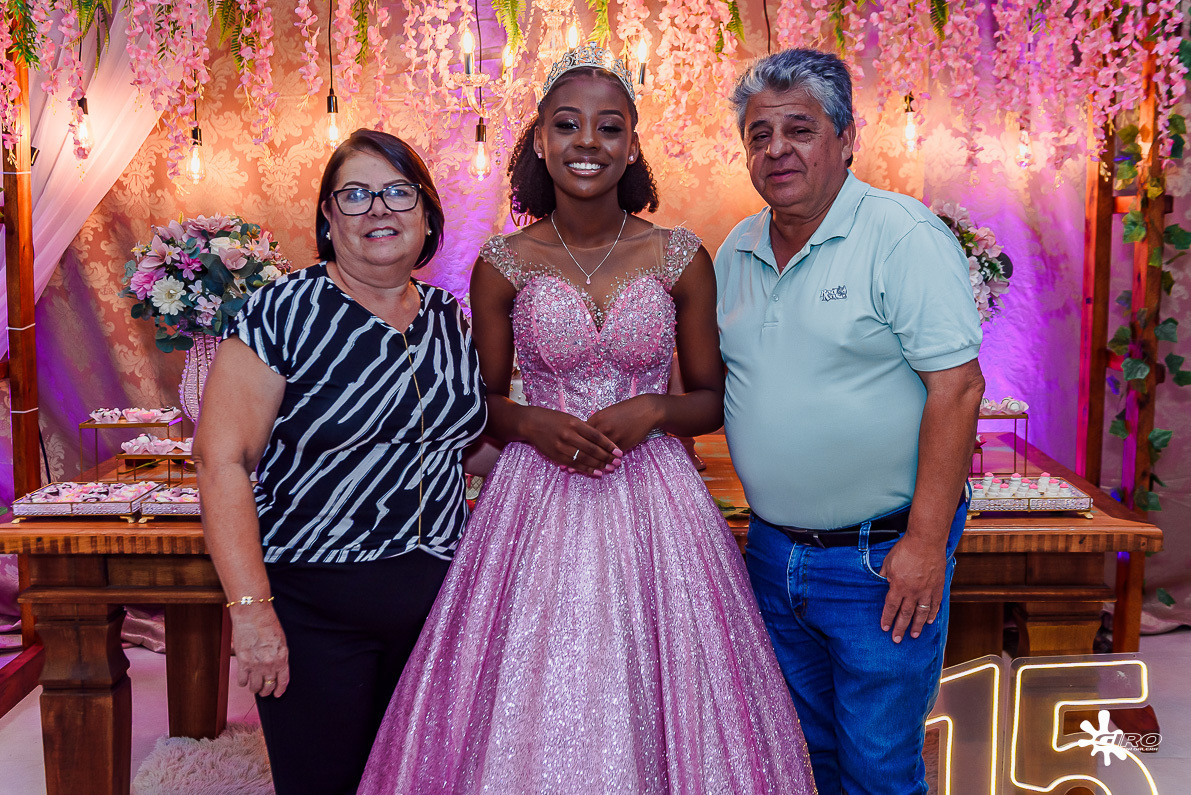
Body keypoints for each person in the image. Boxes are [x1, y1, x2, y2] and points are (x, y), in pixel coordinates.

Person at [359, 43, 815, 794]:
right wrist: (531, 425)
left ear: (631, 145)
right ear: (539, 139)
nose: (587, 142)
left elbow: (711, 398)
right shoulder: (502, 262)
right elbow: (481, 402)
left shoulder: (679, 255)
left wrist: (656, 408)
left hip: (656, 497)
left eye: (609, 127)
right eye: (567, 125)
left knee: (672, 680)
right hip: (535, 495)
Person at [714, 49, 985, 795]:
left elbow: (958, 388)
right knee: (801, 761)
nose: (777, 150)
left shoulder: (900, 235)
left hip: (880, 559)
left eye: (798, 130)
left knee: (877, 769)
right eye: (759, 135)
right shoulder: (735, 250)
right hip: (772, 554)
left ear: (845, 138)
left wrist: (924, 543)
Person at [194, 129, 487, 795]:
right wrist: (251, 612)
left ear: (426, 211)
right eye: (354, 195)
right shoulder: (282, 311)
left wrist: (564, 448)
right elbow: (221, 460)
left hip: (438, 608)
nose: (377, 209)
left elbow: (460, 442)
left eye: (397, 192)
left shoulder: (448, 317)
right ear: (329, 216)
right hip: (314, 609)